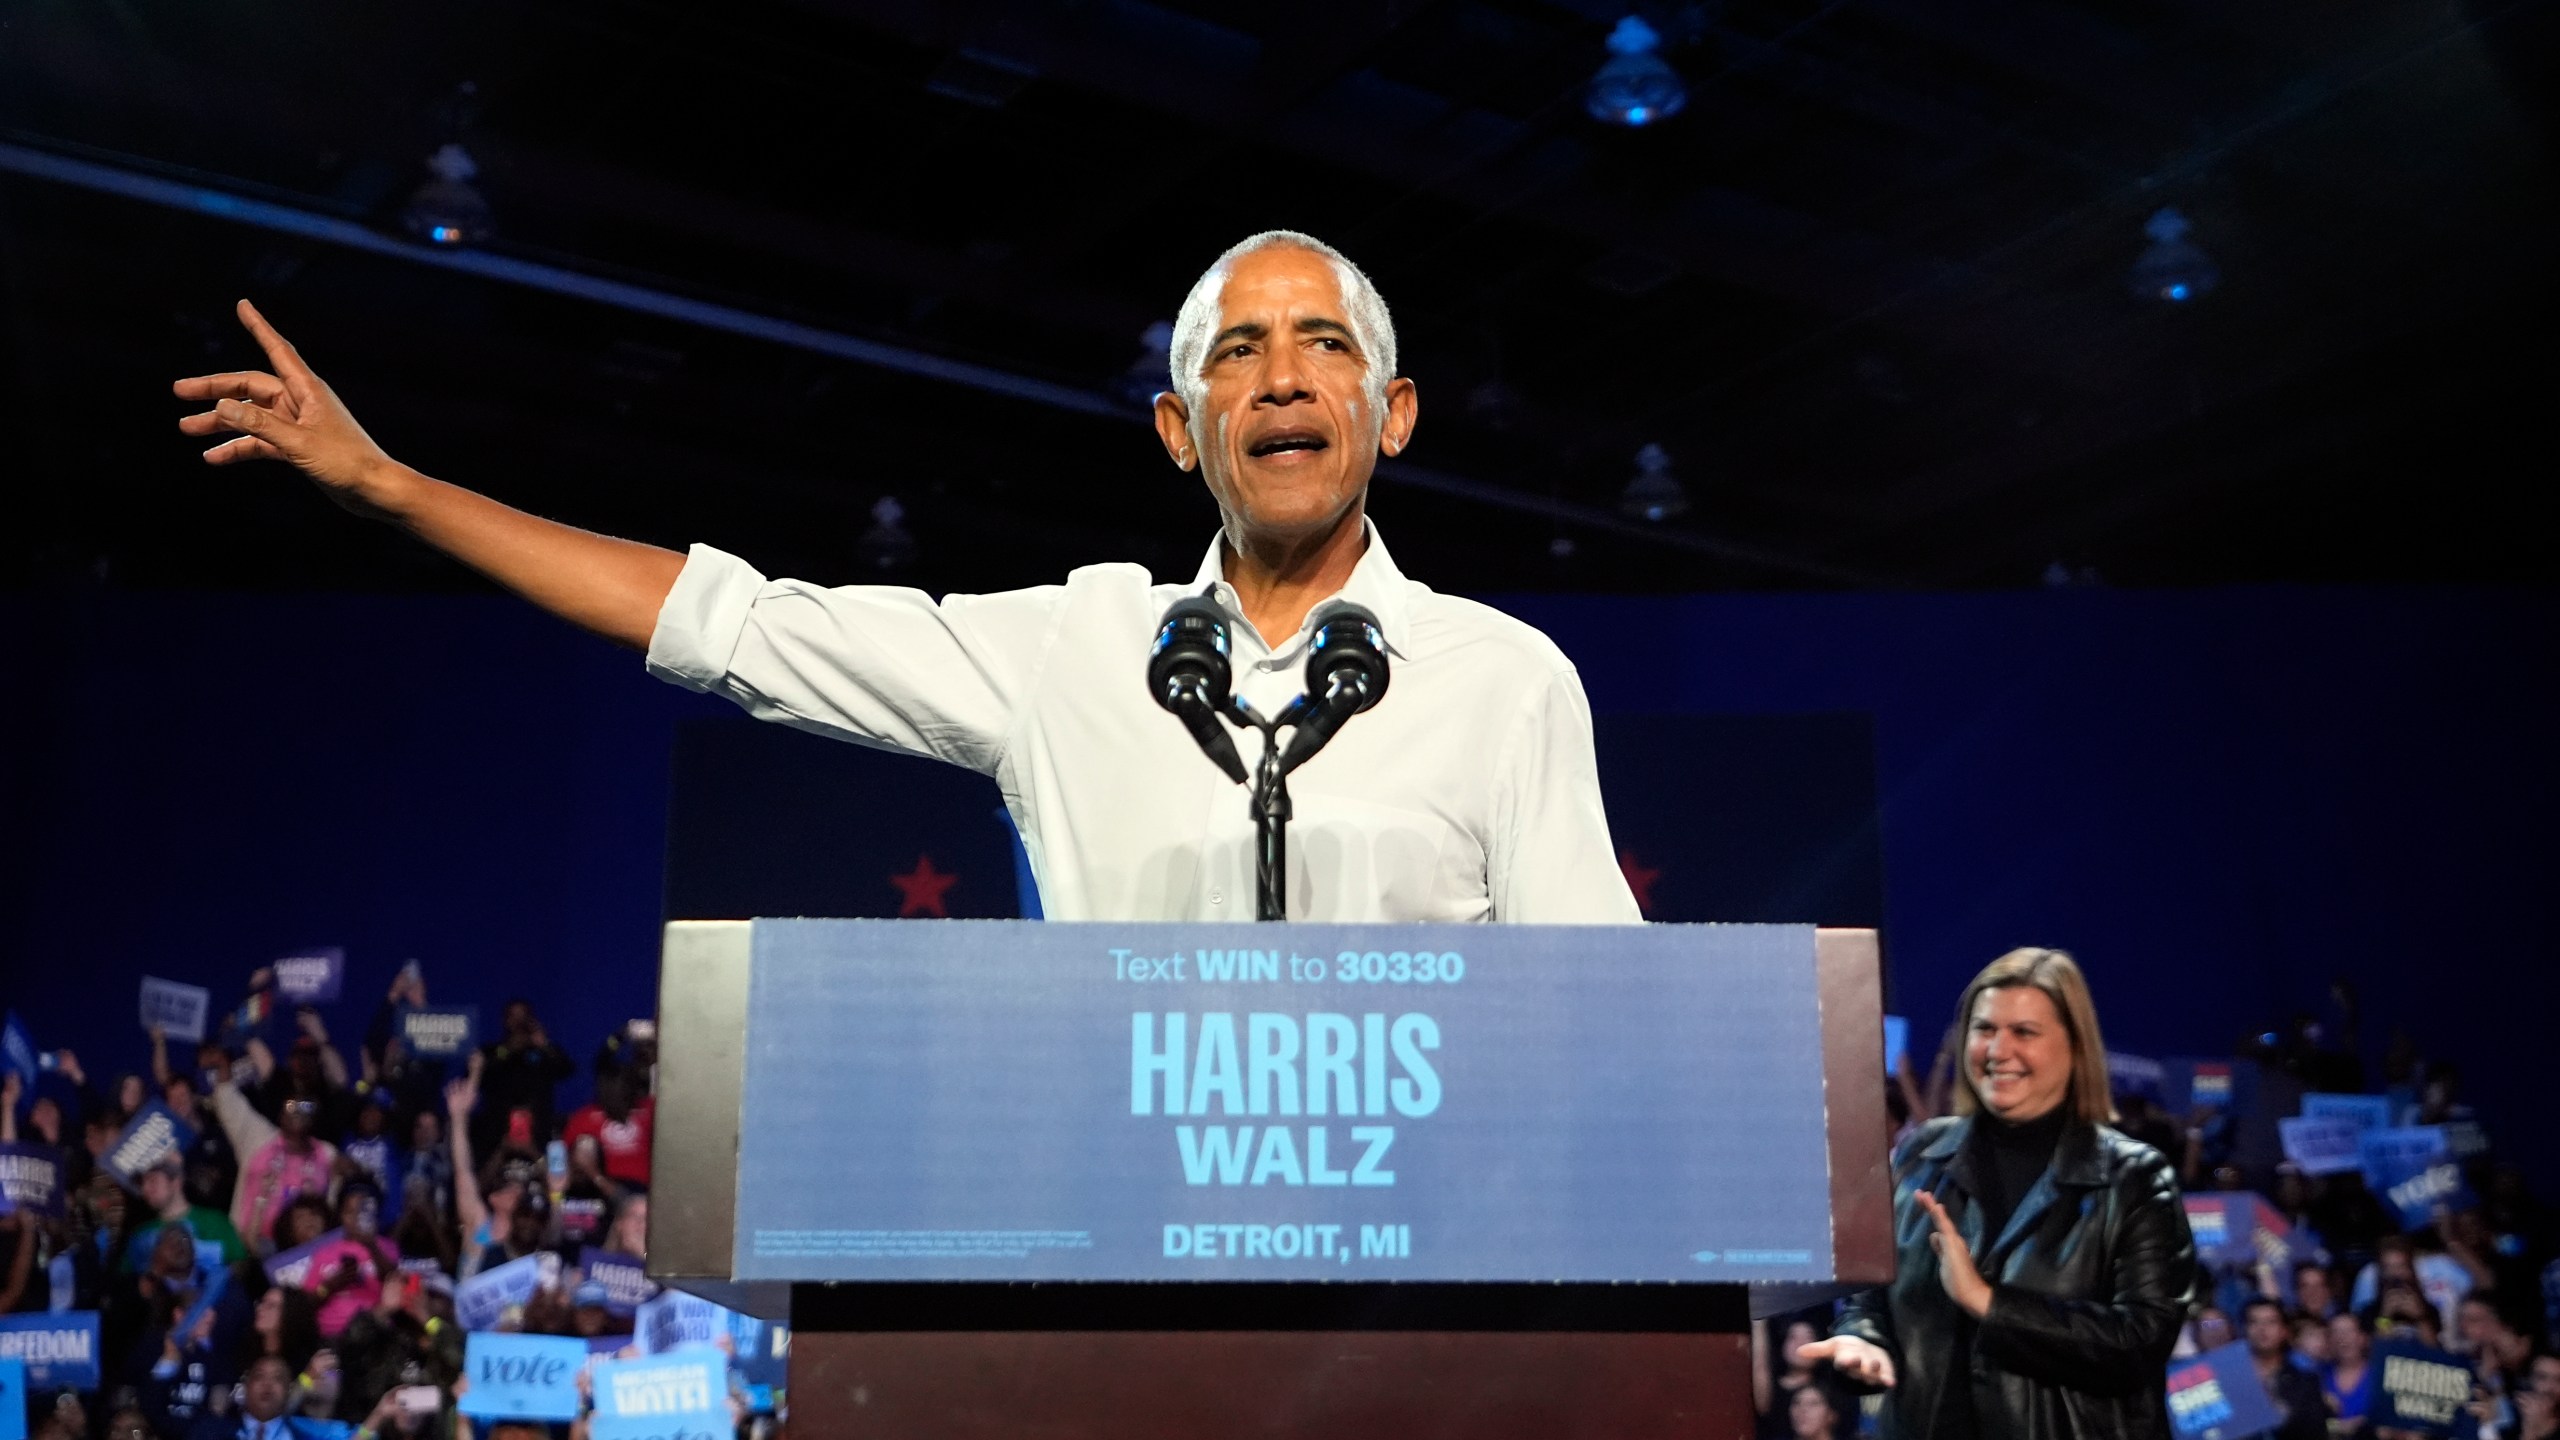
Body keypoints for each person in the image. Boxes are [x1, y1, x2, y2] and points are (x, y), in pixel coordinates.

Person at [172, 231, 1640, 924]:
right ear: (1179, 432)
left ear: (1390, 414)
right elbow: (729, 623)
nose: (1278, 376)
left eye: (1323, 342)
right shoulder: (1071, 648)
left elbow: (1604, 1014)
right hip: (1124, 1287)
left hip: (1425, 1298)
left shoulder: (1503, 681)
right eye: (1234, 352)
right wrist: (392, 487)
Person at [1804, 947, 2197, 1440]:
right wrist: (1862, 1339)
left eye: (2024, 1032)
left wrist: (1988, 1302)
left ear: (2075, 1047)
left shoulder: (2134, 1178)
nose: (1997, 1050)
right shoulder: (1920, 1154)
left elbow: (2140, 1342)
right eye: (1984, 1029)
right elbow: (1870, 1295)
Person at [2241, 1296, 2328, 1440]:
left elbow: (2315, 1432)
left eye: (2271, 1322)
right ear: (2245, 1329)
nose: (2262, 1329)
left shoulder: (2305, 1382)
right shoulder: (2230, 1380)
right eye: (2254, 1322)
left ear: (2284, 1331)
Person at [2322, 1311, 2377, 1432]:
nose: (2342, 1338)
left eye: (2349, 1331)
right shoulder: (2318, 1375)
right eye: (2335, 1332)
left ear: (2363, 1338)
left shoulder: (2380, 1375)